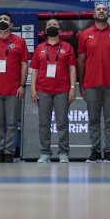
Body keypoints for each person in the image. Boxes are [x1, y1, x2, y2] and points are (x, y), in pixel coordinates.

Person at [77, 2, 110, 163]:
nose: (101, 11)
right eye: (98, 9)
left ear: (108, 13)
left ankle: (109, 151)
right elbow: (81, 61)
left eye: (104, 9)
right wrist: (81, 84)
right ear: (93, 14)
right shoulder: (85, 34)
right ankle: (95, 150)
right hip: (91, 83)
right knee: (93, 119)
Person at [0, 12, 29, 163]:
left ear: (11, 24)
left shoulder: (20, 41)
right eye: (0, 19)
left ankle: (9, 152)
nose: (2, 21)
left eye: (5, 19)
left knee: (12, 123)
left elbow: (24, 65)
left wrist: (22, 85)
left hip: (13, 89)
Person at [30, 18, 77, 163]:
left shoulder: (67, 47)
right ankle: (45, 153)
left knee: (62, 123)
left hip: (62, 90)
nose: (52, 26)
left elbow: (72, 68)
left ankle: (63, 153)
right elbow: (35, 69)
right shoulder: (40, 48)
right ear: (45, 30)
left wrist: (72, 88)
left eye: (54, 25)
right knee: (44, 124)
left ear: (59, 29)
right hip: (43, 89)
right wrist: (33, 88)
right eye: (49, 25)